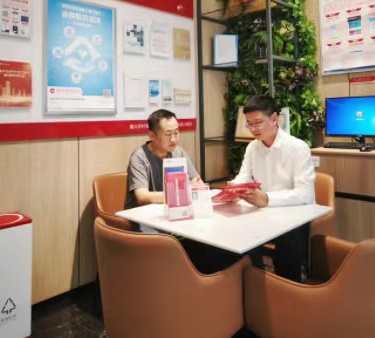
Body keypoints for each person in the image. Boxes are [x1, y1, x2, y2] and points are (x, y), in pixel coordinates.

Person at [125, 109, 240, 273]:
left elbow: (197, 182)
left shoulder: (178, 152)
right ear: (152, 135)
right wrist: (181, 193)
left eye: (176, 132)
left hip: (176, 216)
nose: (174, 139)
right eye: (168, 134)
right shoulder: (139, 157)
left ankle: (210, 278)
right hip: (147, 220)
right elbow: (142, 196)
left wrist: (195, 189)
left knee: (212, 239)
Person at [230, 95, 315, 282]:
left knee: (288, 244)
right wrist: (234, 188)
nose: (253, 129)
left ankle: (288, 288)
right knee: (238, 232)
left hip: (294, 214)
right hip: (265, 211)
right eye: (249, 124)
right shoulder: (252, 148)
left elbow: (305, 194)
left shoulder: (298, 148)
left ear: (275, 119)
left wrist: (267, 199)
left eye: (258, 123)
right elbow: (244, 176)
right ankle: (257, 280)